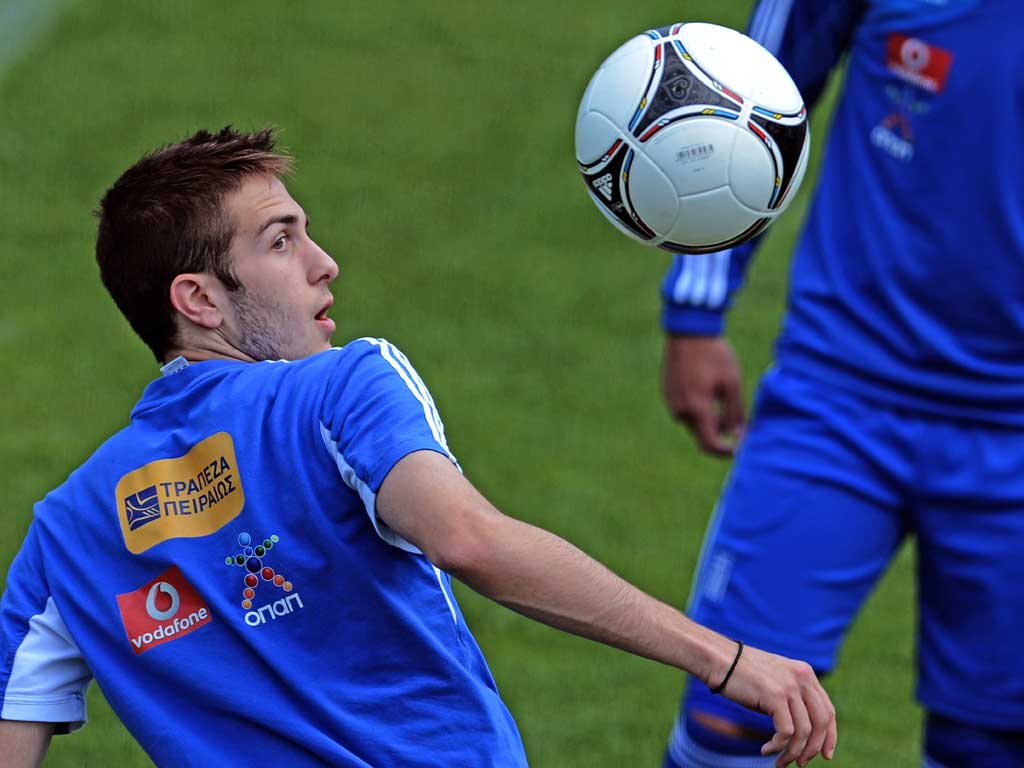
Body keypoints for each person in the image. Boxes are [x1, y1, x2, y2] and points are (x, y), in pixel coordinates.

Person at [0, 127, 835, 767]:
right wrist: (723, 660)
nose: (325, 264)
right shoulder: (341, 390)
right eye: (281, 241)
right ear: (200, 300)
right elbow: (469, 539)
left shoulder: (67, 533)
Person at [659, 2, 1024, 767]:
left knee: (991, 742)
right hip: (838, 396)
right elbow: (753, 88)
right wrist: (697, 309)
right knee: (731, 719)